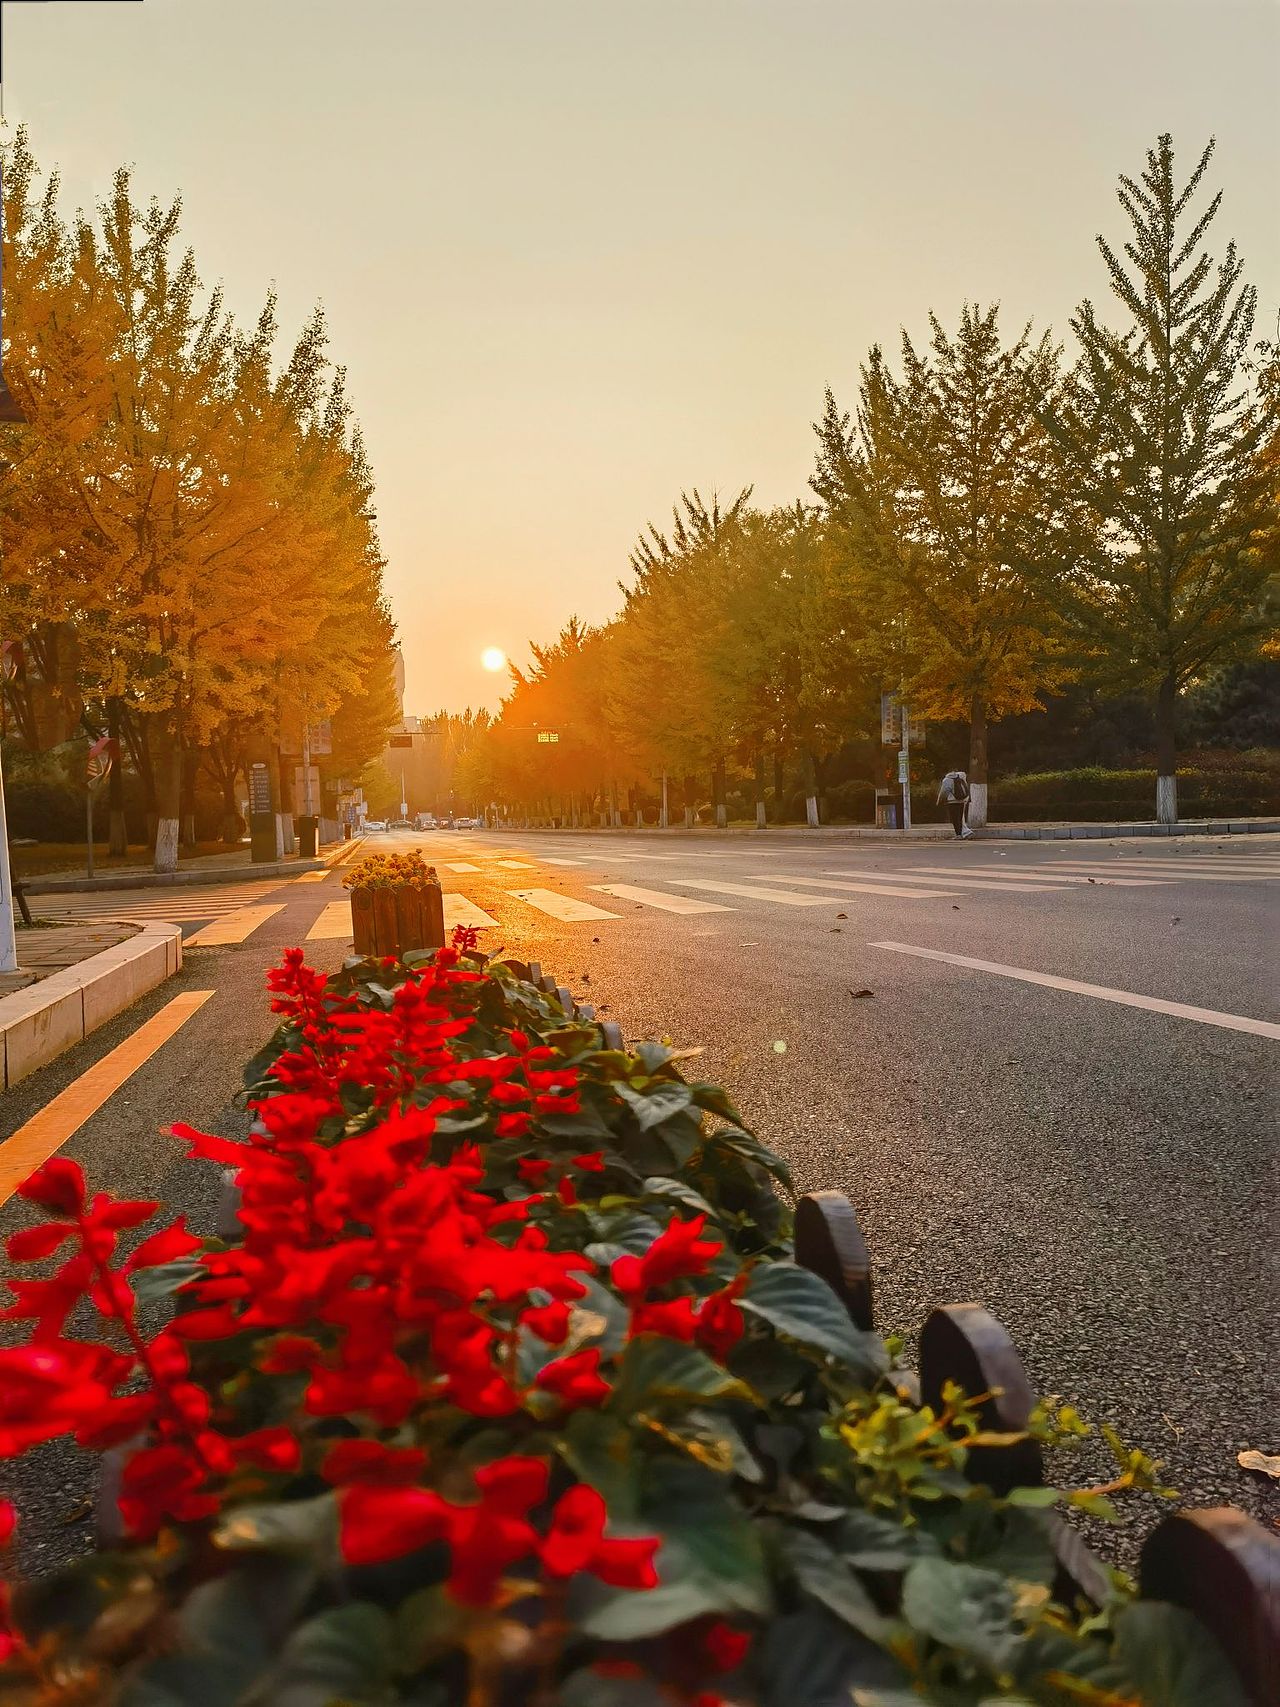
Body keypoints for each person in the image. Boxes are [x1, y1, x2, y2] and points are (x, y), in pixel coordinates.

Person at [937, 769, 973, 838]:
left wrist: (939, 800)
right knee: (959, 818)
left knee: (954, 819)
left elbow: (943, 792)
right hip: (961, 801)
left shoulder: (946, 780)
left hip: (952, 802)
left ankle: (958, 835)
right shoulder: (960, 778)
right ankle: (962, 834)